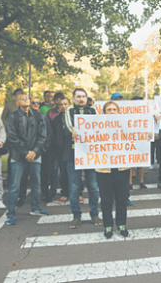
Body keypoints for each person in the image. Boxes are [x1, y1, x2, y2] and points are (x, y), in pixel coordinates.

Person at [5, 93, 48, 225]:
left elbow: (43, 136)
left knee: (36, 183)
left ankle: (36, 207)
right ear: (17, 102)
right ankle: (11, 213)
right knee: (14, 186)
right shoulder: (12, 117)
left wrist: (34, 151)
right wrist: (25, 152)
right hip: (18, 156)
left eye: (27, 98)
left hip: (35, 155)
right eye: (22, 98)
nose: (25, 100)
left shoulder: (38, 116)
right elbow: (12, 137)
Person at [64, 88, 101, 228]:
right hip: (73, 155)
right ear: (73, 98)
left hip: (90, 154)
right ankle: (76, 216)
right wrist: (74, 131)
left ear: (86, 98)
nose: (81, 99)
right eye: (78, 96)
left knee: (93, 187)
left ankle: (94, 214)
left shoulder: (93, 111)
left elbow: (100, 126)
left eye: (83, 96)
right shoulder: (69, 111)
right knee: (74, 188)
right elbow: (68, 126)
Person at [96, 101, 130, 238]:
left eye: (114, 109)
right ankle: (108, 226)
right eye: (108, 109)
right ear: (104, 112)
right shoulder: (96, 127)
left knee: (122, 198)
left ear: (118, 112)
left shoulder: (126, 126)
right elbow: (85, 139)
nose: (111, 112)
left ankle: (122, 224)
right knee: (106, 199)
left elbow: (138, 137)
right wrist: (77, 135)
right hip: (103, 169)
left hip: (122, 168)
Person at [51, 98, 71, 203]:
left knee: (74, 171)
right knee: (63, 171)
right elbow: (53, 134)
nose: (63, 106)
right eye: (61, 104)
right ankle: (64, 193)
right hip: (61, 149)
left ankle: (78, 193)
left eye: (65, 104)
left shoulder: (74, 117)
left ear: (69, 105)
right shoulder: (56, 120)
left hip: (72, 148)